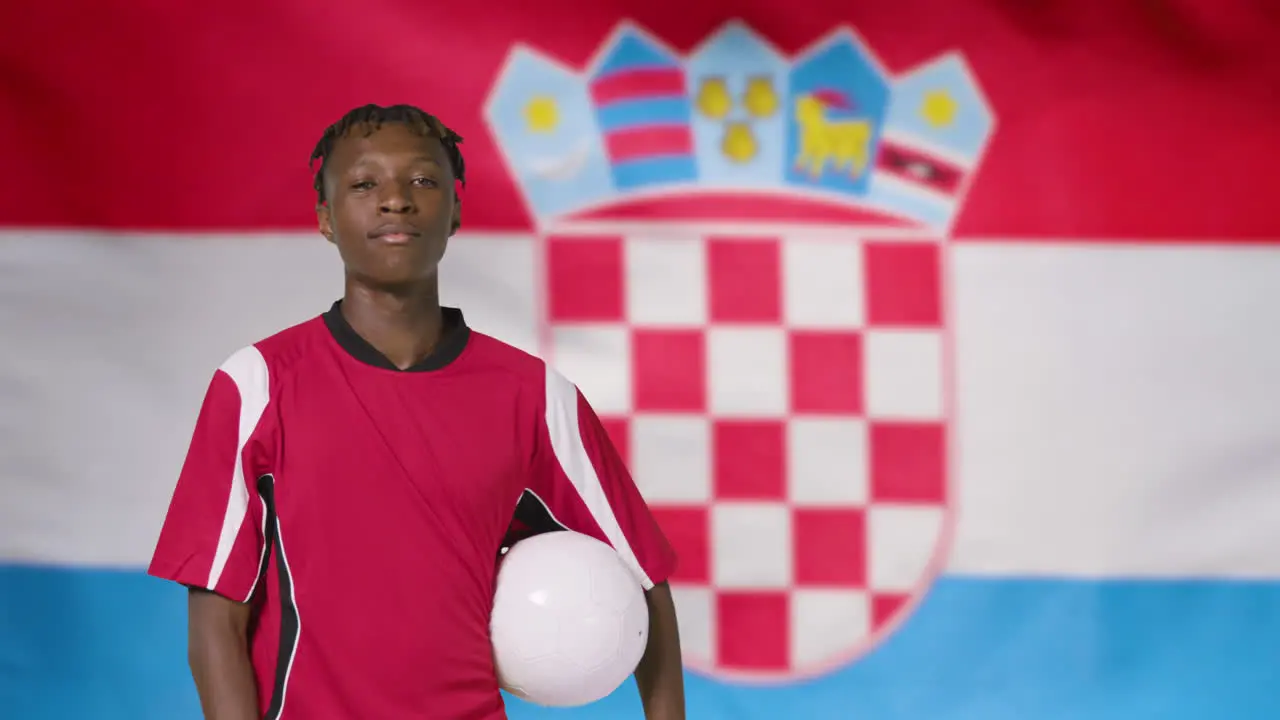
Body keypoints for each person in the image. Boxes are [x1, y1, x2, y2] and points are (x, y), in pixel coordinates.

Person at [147, 104, 686, 720]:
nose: (395, 201)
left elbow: (644, 579)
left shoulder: (533, 396)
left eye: (423, 181)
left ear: (455, 210)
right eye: (363, 184)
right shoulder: (257, 386)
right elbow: (217, 616)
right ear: (325, 217)